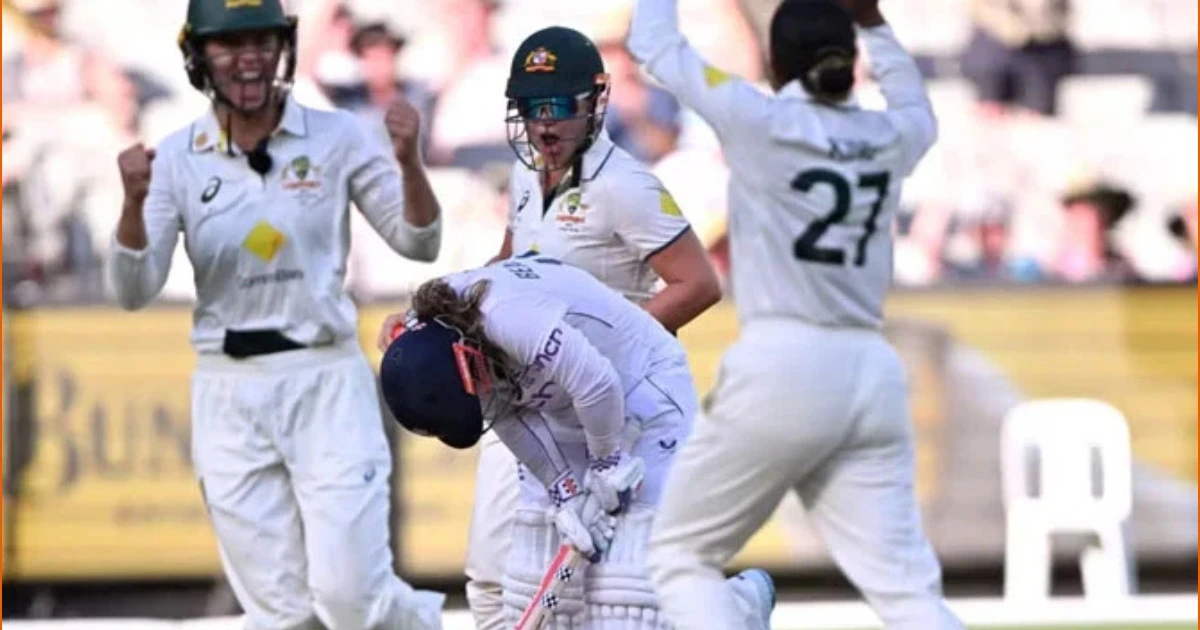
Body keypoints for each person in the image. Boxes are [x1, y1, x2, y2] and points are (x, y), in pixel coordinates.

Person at [107, 1, 446, 628]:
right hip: (229, 389)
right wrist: (131, 205)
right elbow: (133, 289)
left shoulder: (337, 136)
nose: (249, 56)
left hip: (325, 378)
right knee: (282, 614)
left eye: (262, 39)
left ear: (283, 46)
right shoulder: (178, 158)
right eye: (229, 44)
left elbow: (417, 241)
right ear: (198, 56)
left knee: (351, 600)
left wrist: (409, 164)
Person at [627, 0, 965, 628]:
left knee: (680, 556)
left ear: (777, 62)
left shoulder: (759, 117)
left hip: (784, 361)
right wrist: (877, 23)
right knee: (907, 593)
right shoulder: (885, 135)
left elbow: (652, 45)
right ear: (849, 60)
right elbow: (919, 112)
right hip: (870, 366)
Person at [461, 25, 723, 630]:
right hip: (524, 399)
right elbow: (510, 266)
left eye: (557, 108)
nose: (543, 125)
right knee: (491, 579)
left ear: (594, 103)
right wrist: (448, 308)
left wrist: (615, 349)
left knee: (601, 592)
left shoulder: (626, 185)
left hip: (599, 408)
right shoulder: (526, 177)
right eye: (530, 109)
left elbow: (700, 284)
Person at [375, 255, 773, 629]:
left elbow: (599, 385)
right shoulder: (434, 344)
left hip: (640, 387)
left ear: (467, 361)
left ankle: (737, 607)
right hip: (557, 405)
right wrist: (562, 490)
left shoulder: (512, 320)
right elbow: (509, 417)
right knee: (536, 589)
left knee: (626, 600)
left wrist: (606, 463)